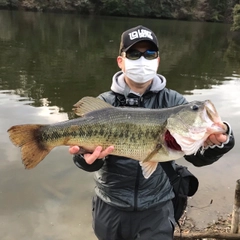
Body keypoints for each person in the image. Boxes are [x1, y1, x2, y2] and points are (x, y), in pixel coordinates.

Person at [69, 25, 235, 240]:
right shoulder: (104, 104)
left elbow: (196, 156)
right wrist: (86, 158)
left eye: (149, 54)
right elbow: (83, 158)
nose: (142, 60)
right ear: (121, 61)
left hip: (157, 207)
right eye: (134, 54)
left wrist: (221, 142)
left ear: (157, 61)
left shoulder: (174, 102)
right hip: (110, 205)